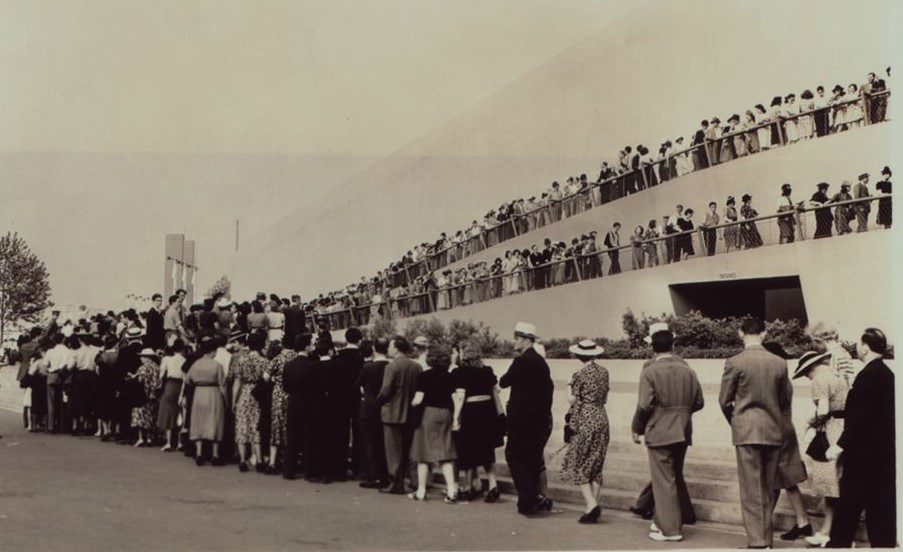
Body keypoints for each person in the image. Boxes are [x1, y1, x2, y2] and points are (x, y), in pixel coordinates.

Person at [719, 317, 793, 549]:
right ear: (764, 333)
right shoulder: (779, 363)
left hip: (747, 430)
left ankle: (757, 542)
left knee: (751, 489)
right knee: (768, 488)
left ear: (741, 333)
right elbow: (784, 399)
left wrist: (736, 422)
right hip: (772, 429)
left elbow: (724, 400)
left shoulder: (735, 362)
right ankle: (766, 541)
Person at [632, 324, 704, 542]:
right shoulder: (687, 369)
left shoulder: (650, 370)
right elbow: (699, 402)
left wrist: (637, 428)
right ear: (673, 345)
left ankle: (670, 529)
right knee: (673, 476)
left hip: (660, 428)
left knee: (663, 481)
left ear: (653, 348)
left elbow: (644, 405)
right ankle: (669, 519)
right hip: (683, 429)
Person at [828, 328, 896, 548]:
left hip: (861, 454)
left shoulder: (866, 377)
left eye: (859, 344)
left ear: (865, 347)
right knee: (881, 507)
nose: (857, 347)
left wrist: (839, 445)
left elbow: (858, 418)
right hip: (884, 454)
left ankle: (838, 544)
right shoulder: (888, 375)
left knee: (848, 505)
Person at [789, 351, 848, 547]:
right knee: (836, 484)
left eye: (806, 373)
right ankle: (828, 530)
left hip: (830, 432)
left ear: (810, 368)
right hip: (844, 430)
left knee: (829, 484)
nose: (807, 377)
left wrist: (809, 423)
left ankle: (830, 532)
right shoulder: (839, 376)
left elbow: (823, 410)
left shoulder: (820, 380)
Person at [500, 322, 554, 516]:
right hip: (539, 420)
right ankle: (532, 501)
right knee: (531, 459)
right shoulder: (541, 363)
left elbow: (503, 382)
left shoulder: (521, 361)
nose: (514, 342)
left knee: (513, 456)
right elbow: (549, 391)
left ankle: (529, 498)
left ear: (524, 340)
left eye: (516, 338)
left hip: (520, 420)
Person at [561, 339, 610, 524]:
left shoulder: (578, 375)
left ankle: (591, 505)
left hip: (584, 419)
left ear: (578, 355)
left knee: (580, 462)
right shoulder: (605, 372)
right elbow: (604, 398)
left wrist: (568, 385)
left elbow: (572, 400)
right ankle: (591, 507)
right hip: (601, 417)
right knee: (596, 463)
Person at [451, 343, 502, 503]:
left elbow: (460, 396)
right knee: (487, 451)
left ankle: (468, 487)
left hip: (470, 411)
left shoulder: (459, 372)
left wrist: (456, 417)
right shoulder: (487, 370)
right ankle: (493, 486)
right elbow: (497, 389)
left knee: (468, 450)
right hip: (488, 412)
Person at [408, 346, 459, 502]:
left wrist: (411, 404)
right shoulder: (449, 376)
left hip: (428, 414)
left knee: (423, 454)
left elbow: (418, 399)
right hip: (445, 414)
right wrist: (456, 418)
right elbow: (456, 399)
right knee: (445, 453)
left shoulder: (424, 376)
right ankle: (451, 490)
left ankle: (421, 491)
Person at [377, 336, 422, 494]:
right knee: (410, 449)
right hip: (410, 412)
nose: (388, 349)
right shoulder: (416, 367)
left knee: (393, 452)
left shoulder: (391, 367)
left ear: (396, 348)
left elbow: (386, 390)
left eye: (390, 346)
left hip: (392, 413)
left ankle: (396, 483)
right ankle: (415, 481)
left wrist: (379, 401)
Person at [182, 336, 227, 466]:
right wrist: (226, 400)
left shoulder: (196, 364)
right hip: (213, 393)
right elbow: (222, 385)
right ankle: (215, 454)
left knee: (198, 422)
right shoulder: (217, 365)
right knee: (215, 422)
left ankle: (199, 453)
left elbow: (188, 380)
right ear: (212, 351)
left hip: (199, 393)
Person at [357, 338, 391, 489]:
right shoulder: (390, 366)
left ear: (374, 349)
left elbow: (358, 385)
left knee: (370, 443)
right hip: (385, 406)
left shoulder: (368, 367)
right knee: (384, 442)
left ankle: (372, 475)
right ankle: (385, 475)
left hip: (369, 406)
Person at [232, 332, 268, 472]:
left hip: (245, 392)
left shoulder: (241, 360)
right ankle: (259, 459)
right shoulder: (265, 361)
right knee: (256, 425)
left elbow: (237, 382)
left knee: (242, 424)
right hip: (259, 393)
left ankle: (242, 460)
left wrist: (234, 400)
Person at [264, 334, 297, 475]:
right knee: (290, 426)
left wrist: (274, 379)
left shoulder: (277, 359)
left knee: (276, 426)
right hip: (292, 393)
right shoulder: (296, 357)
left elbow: (265, 377)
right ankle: (289, 459)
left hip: (278, 393)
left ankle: (272, 461)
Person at [156, 338, 186, 451]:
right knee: (180, 413)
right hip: (180, 385)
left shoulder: (167, 359)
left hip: (170, 385)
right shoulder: (184, 360)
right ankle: (179, 442)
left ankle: (168, 441)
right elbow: (185, 378)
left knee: (168, 412)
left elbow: (161, 374)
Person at [129, 348, 160, 447]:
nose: (141, 358)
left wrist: (132, 377)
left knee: (139, 416)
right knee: (151, 416)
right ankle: (150, 438)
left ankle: (141, 438)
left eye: (142, 356)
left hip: (142, 395)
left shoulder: (142, 368)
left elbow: (139, 380)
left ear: (147, 358)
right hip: (153, 395)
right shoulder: (157, 367)